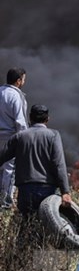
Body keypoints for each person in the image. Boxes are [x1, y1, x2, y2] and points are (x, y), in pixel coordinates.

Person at [0, 104, 71, 216]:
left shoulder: (19, 136)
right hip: (47, 189)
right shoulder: (53, 135)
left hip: (25, 189)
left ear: (30, 118)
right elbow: (59, 164)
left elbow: (2, 156)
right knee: (44, 225)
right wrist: (65, 192)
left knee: (26, 223)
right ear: (47, 119)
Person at [0, 67, 28, 208]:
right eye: (23, 79)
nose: (24, 81)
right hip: (9, 138)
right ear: (18, 81)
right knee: (9, 170)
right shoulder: (16, 96)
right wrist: (25, 139)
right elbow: (20, 122)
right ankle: (6, 203)